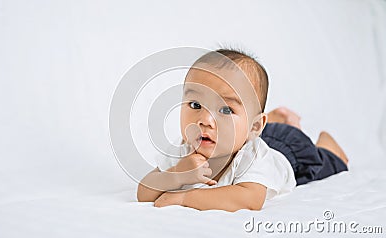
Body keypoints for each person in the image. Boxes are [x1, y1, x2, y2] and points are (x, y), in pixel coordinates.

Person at [137, 49, 348, 212]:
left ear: (255, 127)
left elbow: (249, 198)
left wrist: (184, 198)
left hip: (289, 150)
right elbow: (144, 192)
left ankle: (326, 142)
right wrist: (176, 174)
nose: (204, 120)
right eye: (195, 105)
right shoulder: (183, 149)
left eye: (225, 109)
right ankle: (273, 118)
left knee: (329, 163)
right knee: (249, 130)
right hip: (251, 134)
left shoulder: (254, 157)